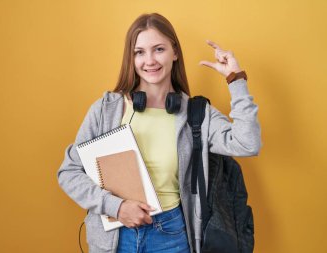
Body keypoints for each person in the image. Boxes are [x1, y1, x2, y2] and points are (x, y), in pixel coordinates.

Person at [57, 12, 262, 253]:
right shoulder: (107, 109)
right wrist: (116, 207)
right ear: (131, 58)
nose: (150, 60)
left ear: (175, 52)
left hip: (171, 236)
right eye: (140, 52)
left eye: (159, 49)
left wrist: (235, 79)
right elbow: (68, 172)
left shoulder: (196, 114)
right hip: (113, 237)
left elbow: (248, 143)